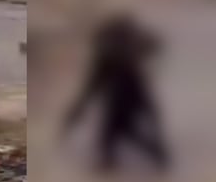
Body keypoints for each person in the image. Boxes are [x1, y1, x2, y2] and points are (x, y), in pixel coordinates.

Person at [63, 14, 169, 172]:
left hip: (122, 102)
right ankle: (113, 162)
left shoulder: (112, 60)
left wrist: (75, 113)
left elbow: (92, 88)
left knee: (117, 133)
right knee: (115, 133)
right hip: (122, 101)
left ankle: (155, 156)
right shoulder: (124, 60)